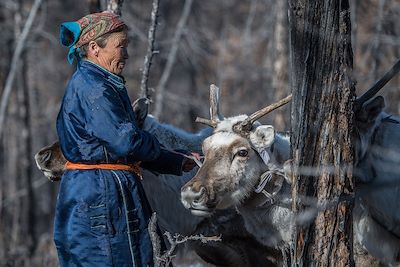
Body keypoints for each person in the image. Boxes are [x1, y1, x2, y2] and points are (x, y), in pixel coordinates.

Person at [55, 12, 196, 266]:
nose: (127, 55)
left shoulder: (101, 83)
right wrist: (164, 154)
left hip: (101, 191)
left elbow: (125, 147)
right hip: (101, 196)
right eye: (121, 46)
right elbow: (126, 142)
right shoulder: (93, 88)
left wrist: (174, 161)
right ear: (95, 48)